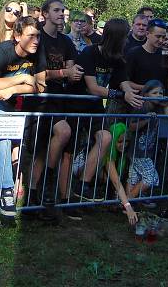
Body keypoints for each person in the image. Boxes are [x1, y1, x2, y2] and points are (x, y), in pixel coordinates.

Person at [0, 16, 46, 224]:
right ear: (17, 36)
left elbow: (40, 86)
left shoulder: (38, 52)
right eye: (31, 36)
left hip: (8, 101)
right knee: (4, 132)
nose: (36, 41)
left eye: (38, 35)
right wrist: (21, 78)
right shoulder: (3, 50)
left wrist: (14, 88)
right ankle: (6, 190)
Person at [65, 19, 142, 203]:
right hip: (76, 105)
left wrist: (132, 95)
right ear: (117, 38)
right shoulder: (89, 52)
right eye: (125, 36)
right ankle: (63, 192)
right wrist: (122, 95)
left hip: (94, 106)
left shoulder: (118, 59)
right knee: (71, 150)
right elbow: (93, 88)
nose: (127, 41)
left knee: (105, 138)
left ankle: (83, 184)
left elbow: (124, 83)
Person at [22, 0, 77, 220]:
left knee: (62, 133)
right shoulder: (38, 38)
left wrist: (68, 73)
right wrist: (63, 73)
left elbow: (72, 69)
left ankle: (45, 187)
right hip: (39, 99)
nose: (61, 14)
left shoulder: (66, 42)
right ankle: (33, 196)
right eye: (56, 10)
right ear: (44, 13)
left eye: (63, 10)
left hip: (59, 99)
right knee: (40, 151)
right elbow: (38, 74)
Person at [126, 80, 166, 200]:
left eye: (161, 93)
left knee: (133, 178)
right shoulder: (141, 107)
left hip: (147, 151)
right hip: (138, 151)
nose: (159, 95)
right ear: (146, 94)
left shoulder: (159, 108)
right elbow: (131, 126)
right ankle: (127, 201)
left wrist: (166, 105)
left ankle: (123, 203)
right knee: (151, 177)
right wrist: (146, 120)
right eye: (155, 93)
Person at [126, 19, 168, 93]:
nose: (161, 40)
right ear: (147, 34)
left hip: (160, 100)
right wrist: (149, 89)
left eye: (163, 37)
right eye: (158, 36)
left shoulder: (165, 54)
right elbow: (125, 82)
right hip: (140, 100)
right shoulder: (134, 53)